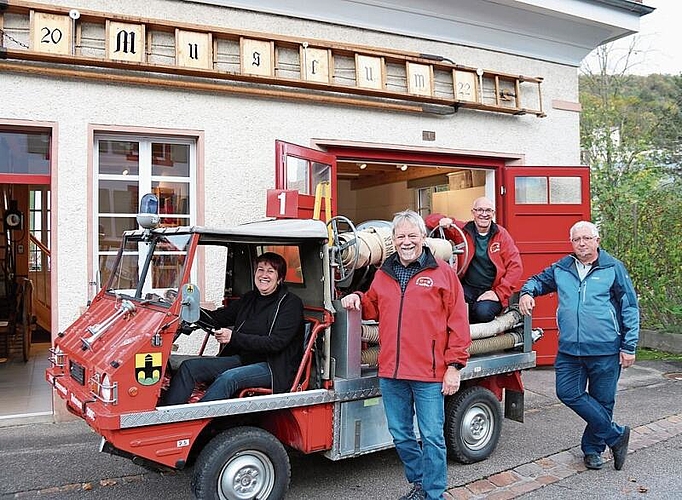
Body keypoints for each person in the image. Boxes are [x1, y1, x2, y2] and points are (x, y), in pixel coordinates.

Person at [341, 210, 470, 500]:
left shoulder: (442, 273)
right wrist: (357, 299)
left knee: (433, 438)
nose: (407, 241)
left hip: (428, 373)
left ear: (423, 238)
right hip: (392, 373)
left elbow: (458, 322)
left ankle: (433, 494)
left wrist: (454, 366)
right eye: (401, 236)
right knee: (400, 435)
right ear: (393, 240)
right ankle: (421, 483)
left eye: (412, 235)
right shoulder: (383, 273)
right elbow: (373, 306)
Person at [518, 221, 638, 471]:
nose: (581, 243)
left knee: (603, 401)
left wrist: (629, 346)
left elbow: (629, 307)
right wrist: (527, 293)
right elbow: (537, 281)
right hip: (570, 350)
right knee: (568, 392)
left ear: (597, 240)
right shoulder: (561, 268)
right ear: (571, 243)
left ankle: (593, 450)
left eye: (586, 238)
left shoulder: (613, 268)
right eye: (576, 239)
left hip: (605, 349)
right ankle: (616, 435)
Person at [162, 252, 304, 405]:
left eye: (270, 271)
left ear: (280, 278)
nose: (264, 275)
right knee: (189, 367)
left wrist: (233, 337)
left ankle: (200, 422)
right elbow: (218, 318)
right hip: (243, 360)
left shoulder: (291, 304)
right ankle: (167, 418)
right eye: (260, 269)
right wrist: (189, 308)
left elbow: (276, 343)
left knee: (229, 377)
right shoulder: (250, 298)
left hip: (273, 367)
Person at [425, 197, 522, 323]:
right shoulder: (462, 230)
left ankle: (481, 340)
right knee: (449, 304)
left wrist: (498, 293)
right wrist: (443, 220)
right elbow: (429, 221)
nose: (484, 214)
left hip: (491, 289)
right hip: (468, 288)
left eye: (488, 211)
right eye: (480, 210)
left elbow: (515, 266)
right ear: (473, 212)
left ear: (493, 213)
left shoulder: (501, 235)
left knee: (483, 312)